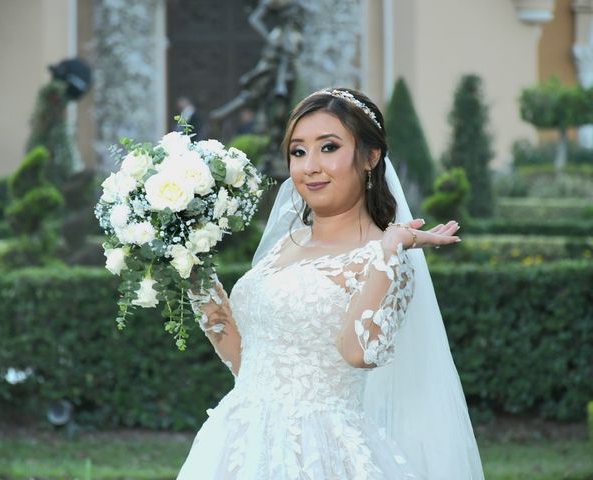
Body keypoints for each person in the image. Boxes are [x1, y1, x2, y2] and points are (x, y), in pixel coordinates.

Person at [178, 88, 485, 479]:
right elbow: (245, 359)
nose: (310, 167)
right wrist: (192, 268)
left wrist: (388, 250)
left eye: (329, 148)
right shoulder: (286, 244)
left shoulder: (388, 259)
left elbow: (359, 353)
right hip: (236, 442)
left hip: (318, 453)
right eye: (298, 151)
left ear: (371, 157)